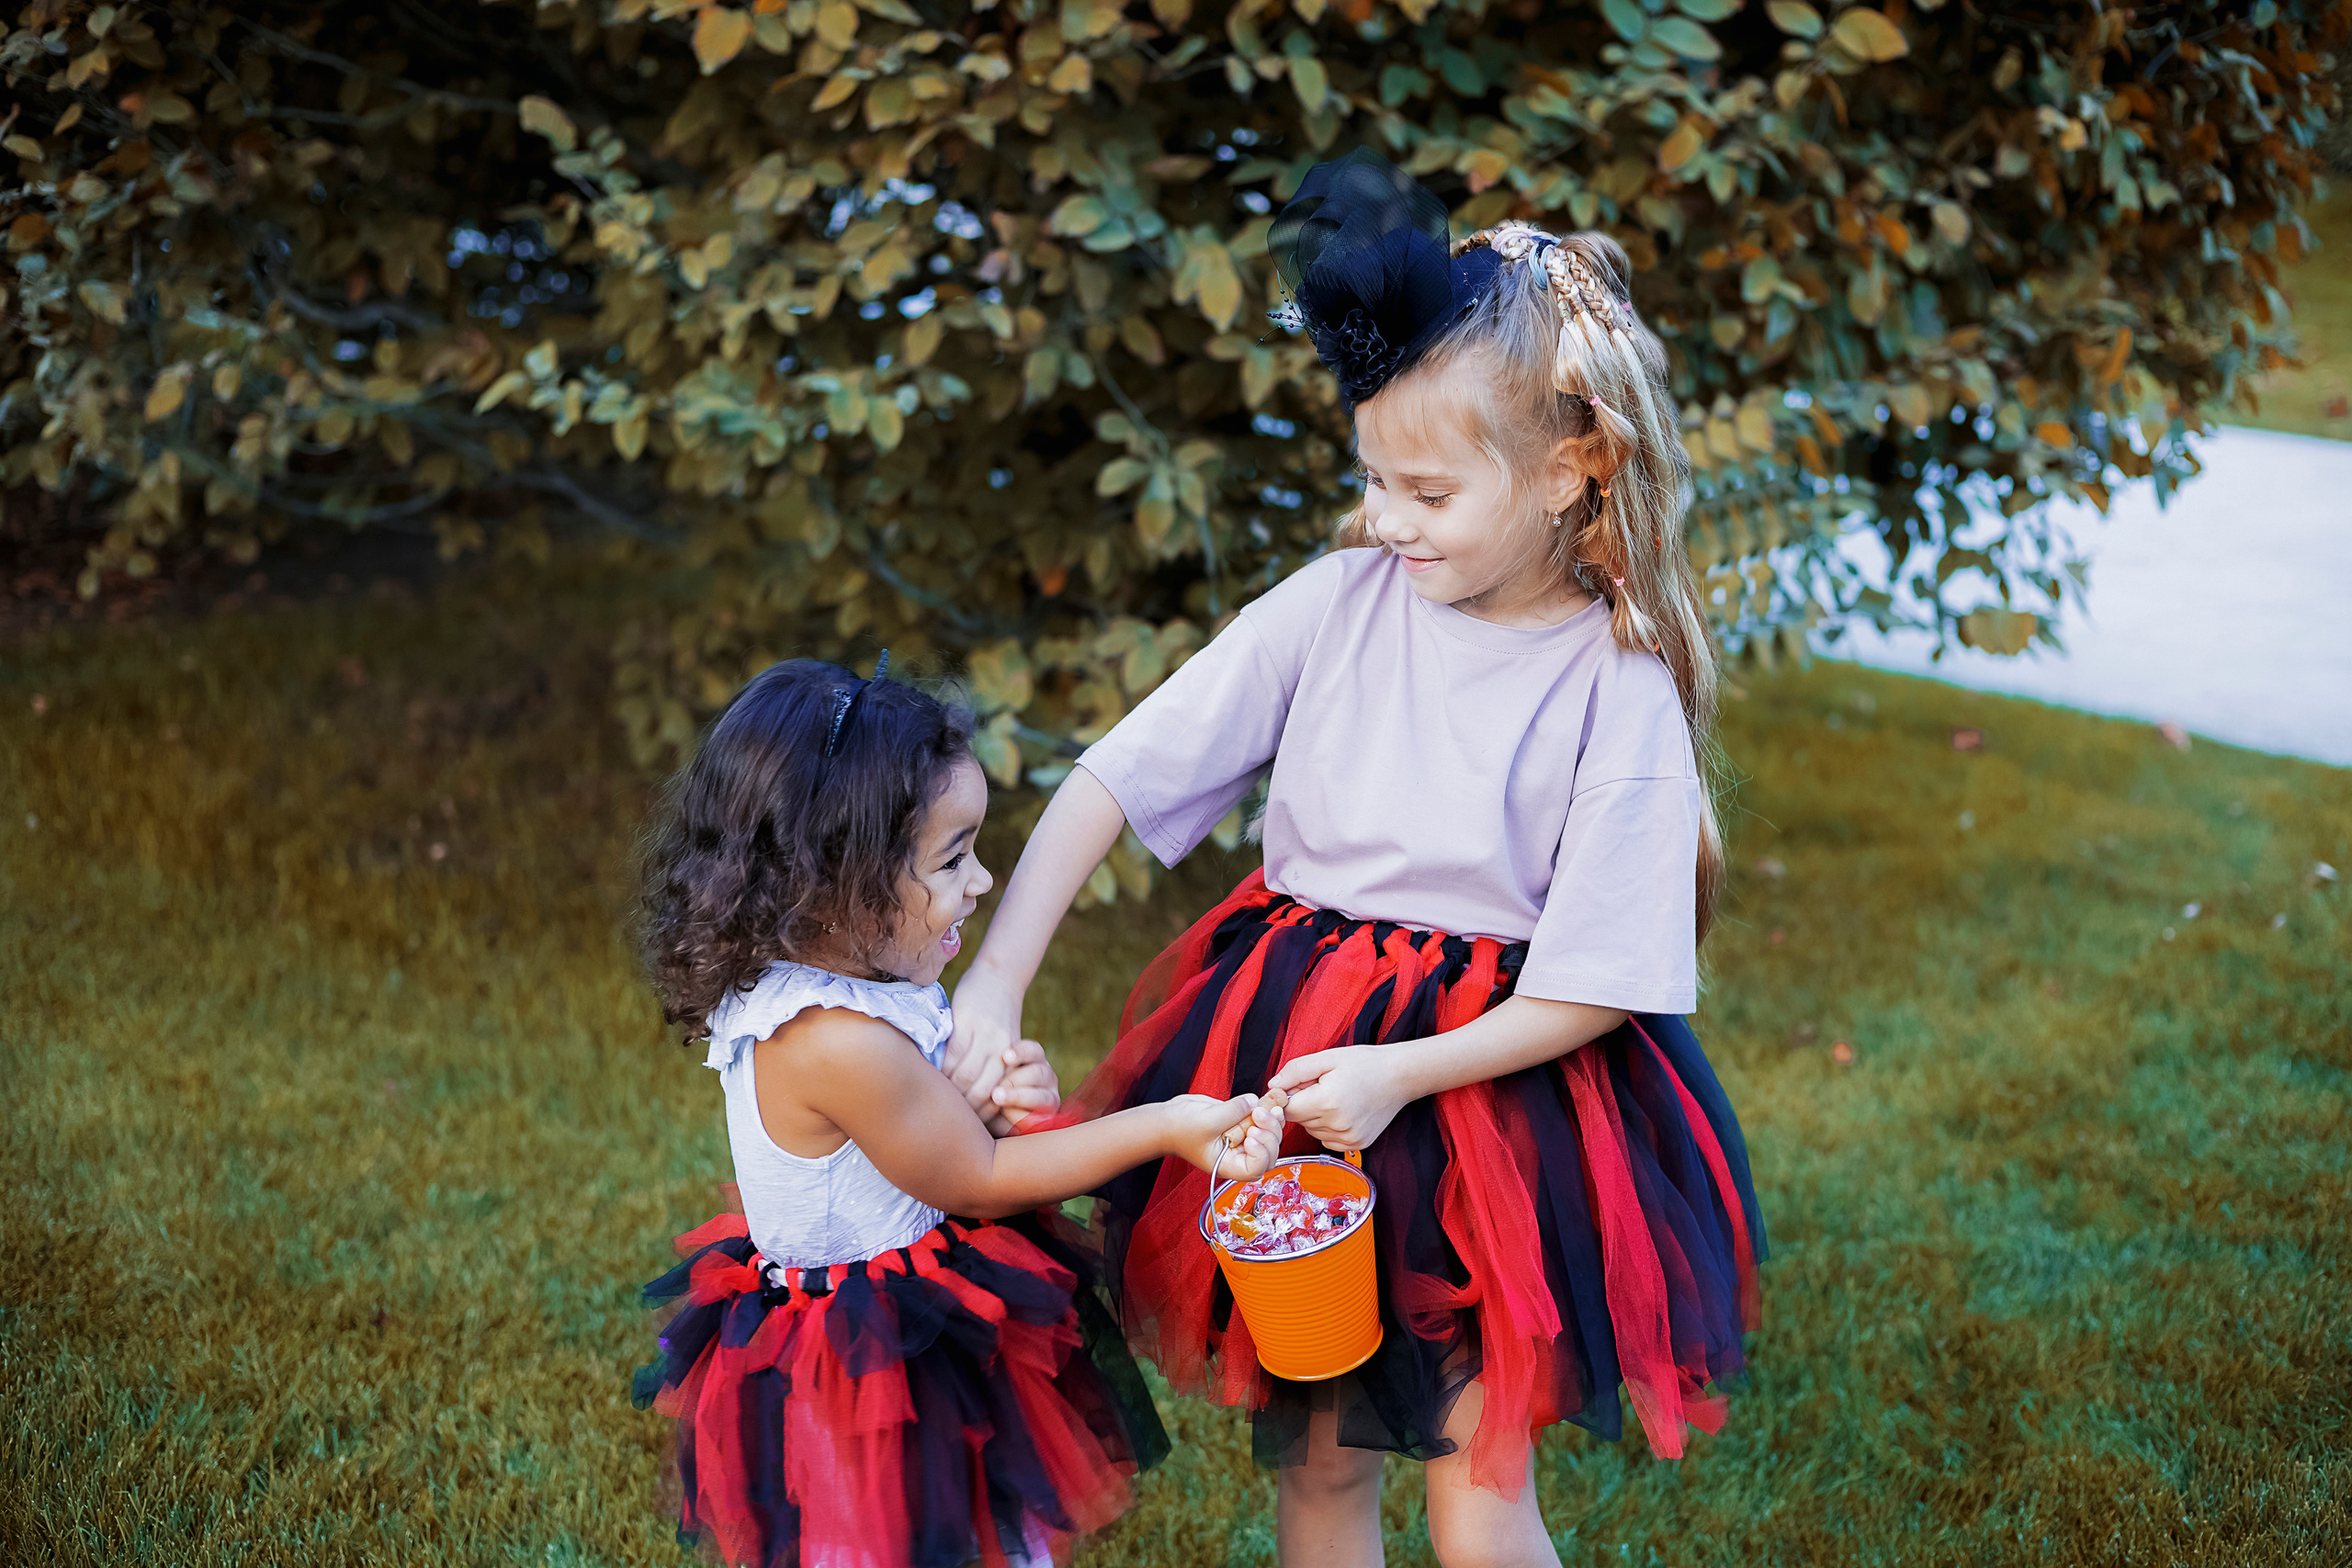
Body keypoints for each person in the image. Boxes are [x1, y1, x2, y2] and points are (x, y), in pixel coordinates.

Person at [946, 149, 1767, 1566]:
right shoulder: (1337, 603)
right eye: (1372, 475)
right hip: (1290, 1054)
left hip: (1494, 1102)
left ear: (1575, 470)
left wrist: (1401, 1073)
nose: (1387, 518)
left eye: (1429, 491)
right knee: (1322, 1463)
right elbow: (1118, 773)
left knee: (1474, 1480)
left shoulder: (1613, 684)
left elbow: (1605, 980)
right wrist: (995, 978)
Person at [632, 656, 1287, 1568]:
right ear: (834, 885)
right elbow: (979, 1181)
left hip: (911, 1305)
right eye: (951, 859)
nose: (981, 883)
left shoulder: (857, 984)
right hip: (871, 1364)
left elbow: (950, 1130)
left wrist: (998, 1101)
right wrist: (1169, 1125)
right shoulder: (832, 1041)